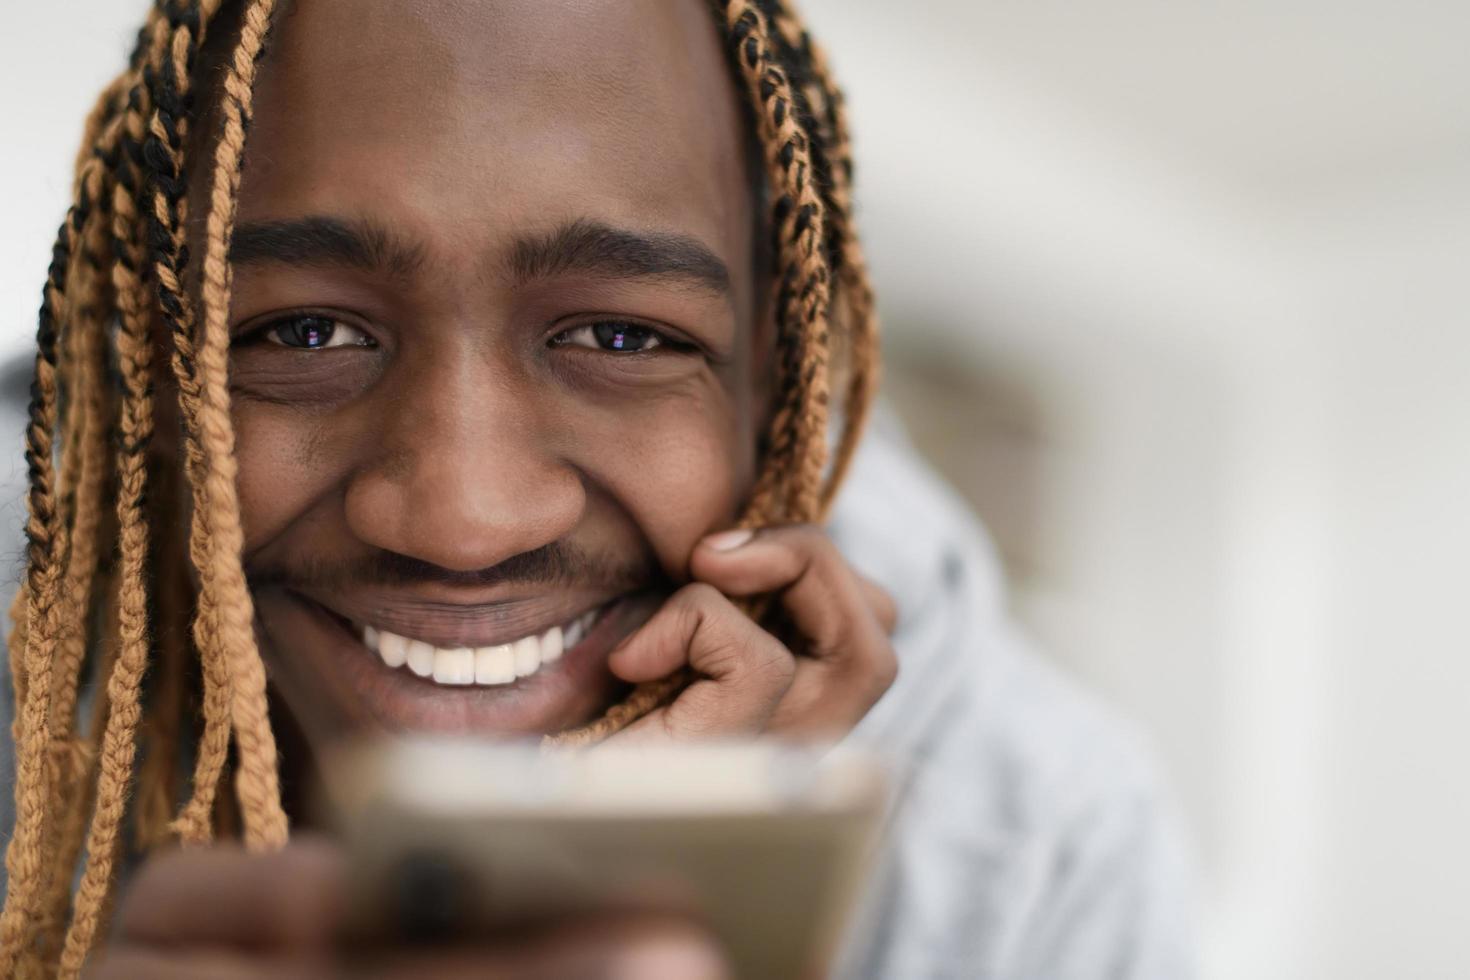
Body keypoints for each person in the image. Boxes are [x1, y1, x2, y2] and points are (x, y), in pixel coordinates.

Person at [0, 0, 1194, 976]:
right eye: (307, 331)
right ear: (157, 379)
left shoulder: (1040, 846)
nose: (464, 518)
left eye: (621, 338)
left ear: (777, 388)